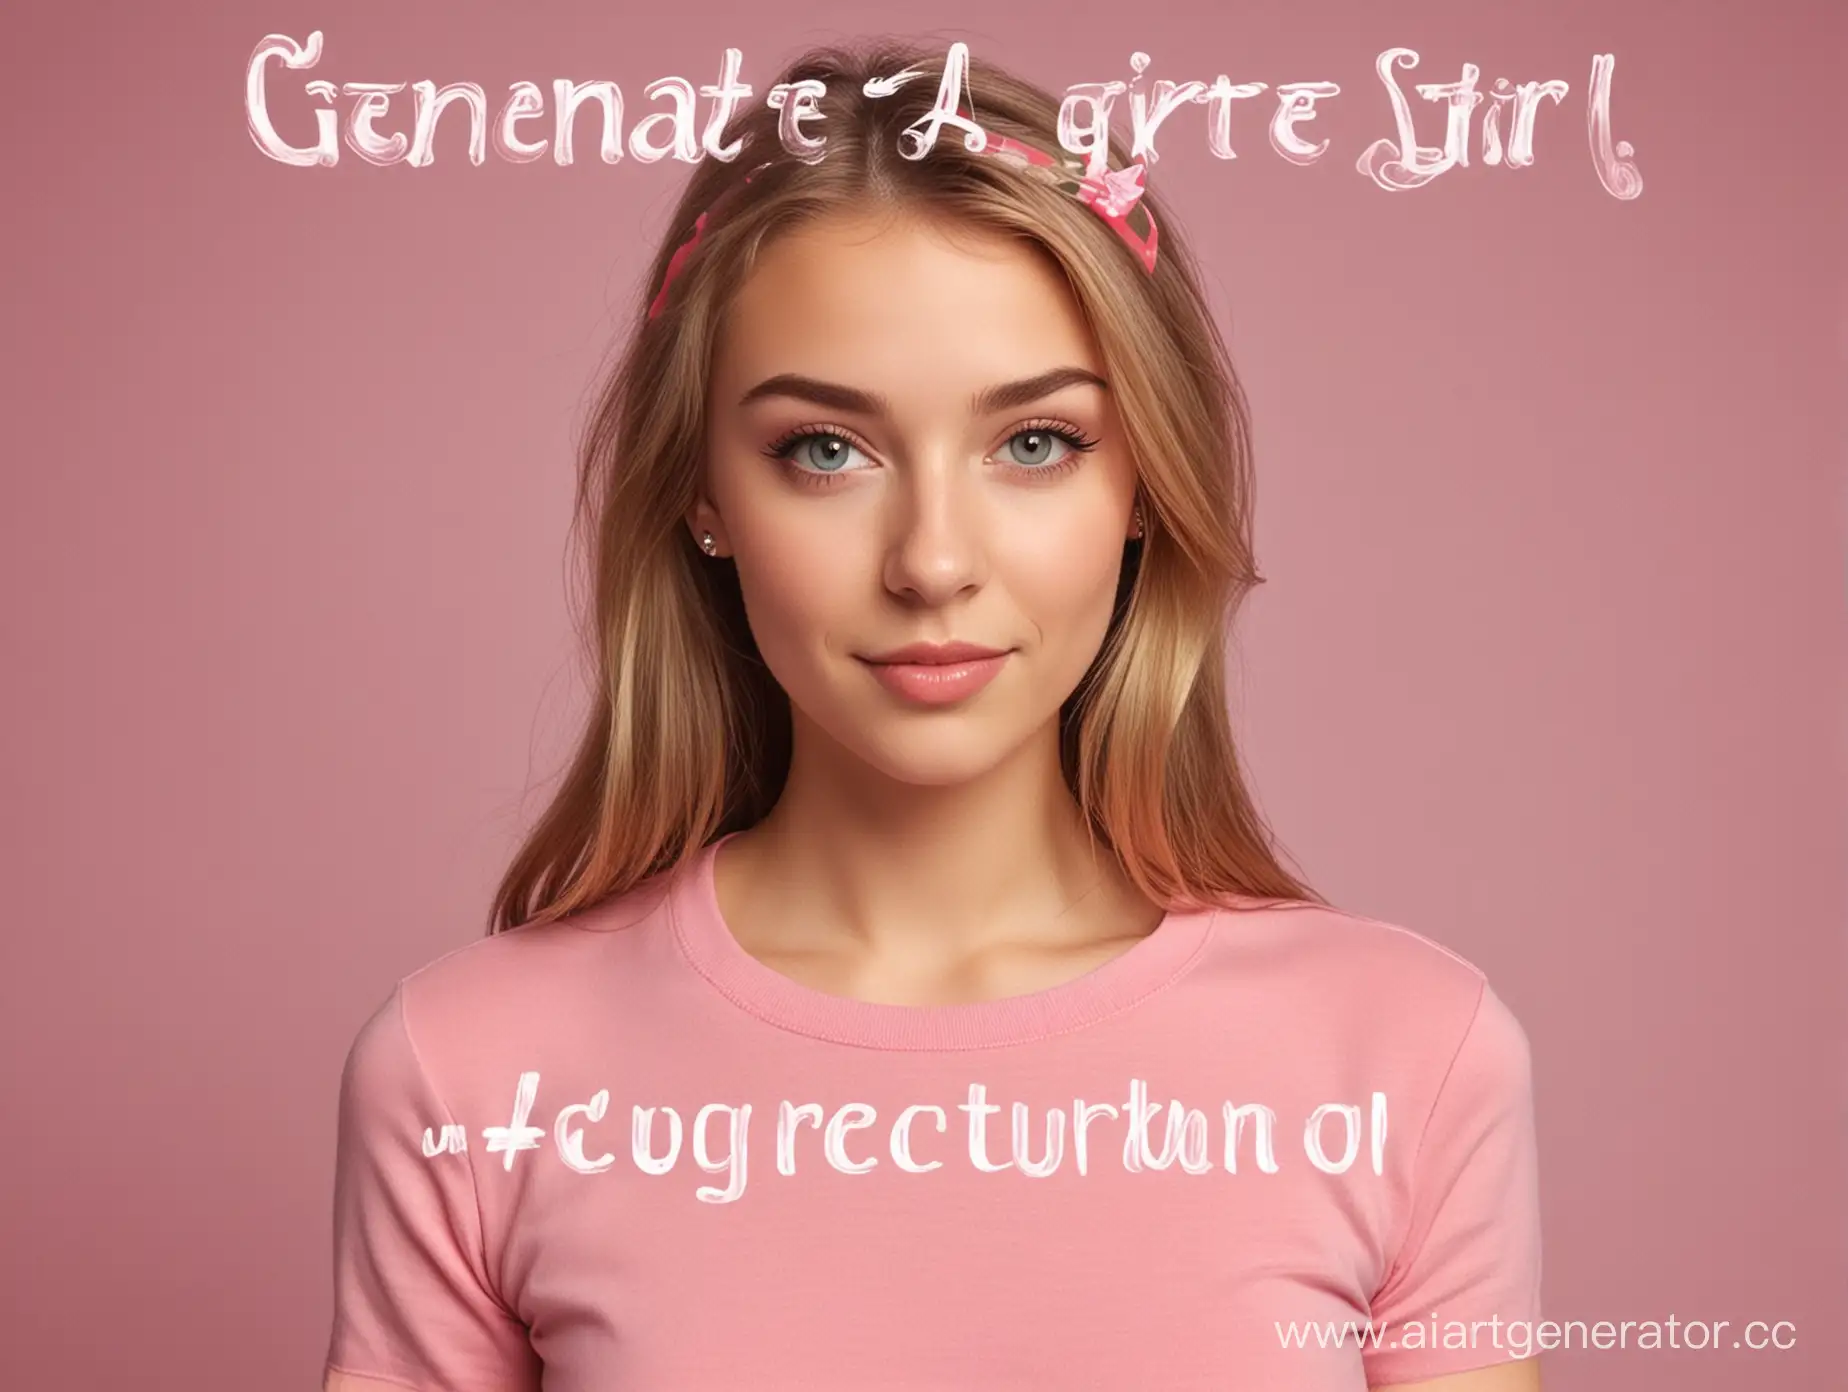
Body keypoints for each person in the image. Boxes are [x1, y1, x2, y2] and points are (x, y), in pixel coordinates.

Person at [322, 38, 1543, 1392]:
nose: (934, 560)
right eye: (825, 450)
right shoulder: (471, 1075)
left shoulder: (1404, 1057)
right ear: (703, 495)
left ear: (1145, 481)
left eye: (1036, 442)